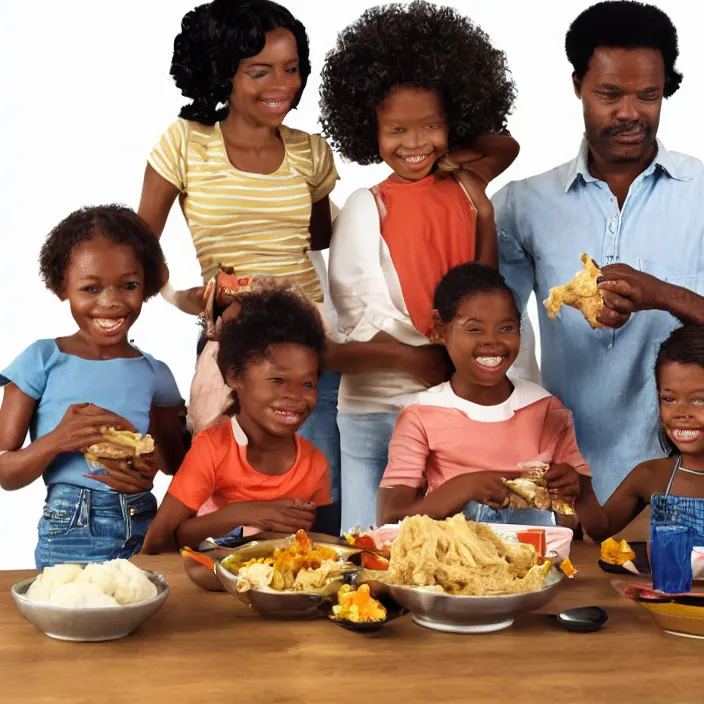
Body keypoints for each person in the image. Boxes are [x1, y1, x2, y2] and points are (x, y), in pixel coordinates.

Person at [137, 0, 342, 531]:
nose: (283, 84)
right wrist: (189, 298)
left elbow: (319, 238)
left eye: (291, 67)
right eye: (260, 71)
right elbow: (139, 250)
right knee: (223, 492)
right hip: (231, 336)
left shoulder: (309, 152)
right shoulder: (185, 143)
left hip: (309, 338)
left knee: (314, 496)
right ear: (221, 73)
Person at [320, 0, 519, 530]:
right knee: (367, 551)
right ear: (368, 128)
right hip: (371, 408)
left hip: (447, 408)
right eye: (396, 130)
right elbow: (345, 333)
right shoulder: (368, 205)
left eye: (430, 125)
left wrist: (465, 174)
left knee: (446, 550)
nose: (414, 144)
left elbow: (507, 144)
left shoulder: (465, 188)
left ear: (453, 122)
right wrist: (415, 361)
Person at [495, 1, 704, 504]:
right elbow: (478, 325)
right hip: (561, 486)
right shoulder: (523, 204)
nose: (630, 112)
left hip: (685, 487)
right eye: (610, 94)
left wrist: (662, 294)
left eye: (648, 95)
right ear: (577, 86)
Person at [0, 205, 185, 568]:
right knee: (72, 614)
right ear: (61, 287)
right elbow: (6, 472)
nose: (111, 302)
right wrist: (58, 439)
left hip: (143, 520)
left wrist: (146, 462)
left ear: (146, 284)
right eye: (91, 288)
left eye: (128, 285)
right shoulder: (41, 360)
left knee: (150, 618)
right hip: (71, 526)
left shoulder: (155, 373)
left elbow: (173, 462)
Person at [377, 263, 588, 526]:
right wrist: (464, 487)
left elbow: (577, 520)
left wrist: (572, 488)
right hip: (455, 562)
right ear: (441, 329)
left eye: (506, 328)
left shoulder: (546, 409)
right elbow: (391, 517)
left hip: (537, 561)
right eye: (474, 329)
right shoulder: (421, 414)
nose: (492, 341)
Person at [142, 288, 332, 553]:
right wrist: (242, 513)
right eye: (277, 380)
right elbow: (158, 542)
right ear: (236, 377)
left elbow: (324, 553)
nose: (294, 396)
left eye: (308, 383)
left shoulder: (315, 465)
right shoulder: (213, 449)